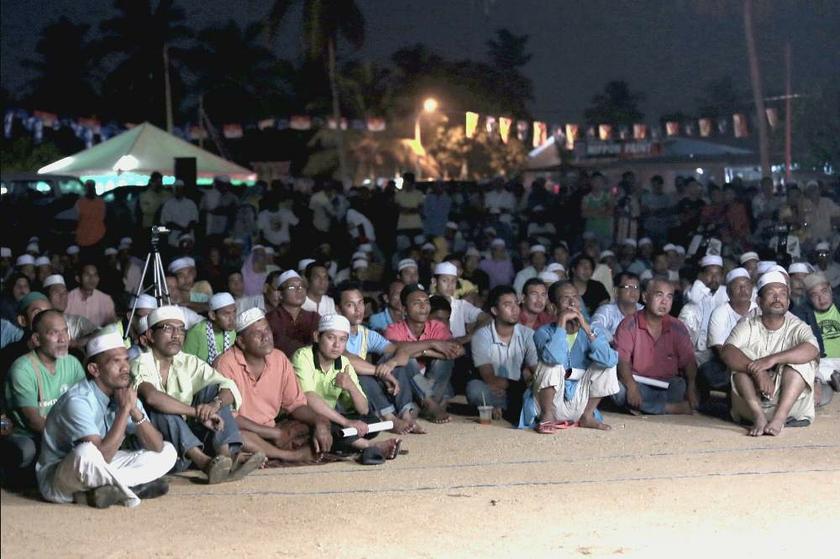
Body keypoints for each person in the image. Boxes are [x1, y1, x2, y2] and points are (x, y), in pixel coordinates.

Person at [36, 332, 176, 508]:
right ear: (94, 369)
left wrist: (134, 411)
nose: (125, 367)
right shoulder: (77, 401)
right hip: (62, 476)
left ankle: (104, 490)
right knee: (86, 452)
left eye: (126, 359)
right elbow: (101, 456)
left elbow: (156, 446)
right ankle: (129, 488)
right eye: (116, 361)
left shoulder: (124, 393)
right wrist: (124, 410)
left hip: (102, 465)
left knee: (168, 450)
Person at [132, 306, 263, 484]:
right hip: (160, 447)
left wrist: (213, 406)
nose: (176, 335)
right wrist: (196, 412)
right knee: (160, 409)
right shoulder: (140, 363)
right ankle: (206, 463)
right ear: (150, 335)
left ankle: (225, 457)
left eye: (180, 330)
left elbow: (228, 387)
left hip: (189, 437)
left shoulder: (187, 361)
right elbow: (152, 397)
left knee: (212, 390)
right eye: (167, 328)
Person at [214, 308, 334, 464]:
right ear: (241, 342)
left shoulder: (279, 358)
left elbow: (295, 404)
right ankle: (290, 456)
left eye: (267, 330)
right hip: (246, 430)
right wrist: (274, 434)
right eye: (257, 334)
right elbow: (229, 416)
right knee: (234, 436)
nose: (266, 337)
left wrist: (320, 422)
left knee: (321, 426)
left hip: (276, 427)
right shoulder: (225, 364)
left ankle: (265, 453)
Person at [292, 314, 403, 461]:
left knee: (372, 421)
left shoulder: (344, 362)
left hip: (333, 417)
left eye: (342, 339)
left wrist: (351, 387)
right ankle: (370, 445)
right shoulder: (302, 357)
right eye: (331, 338)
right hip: (308, 416)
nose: (337, 345)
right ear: (317, 336)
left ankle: (349, 440)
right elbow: (309, 398)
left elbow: (363, 409)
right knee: (324, 427)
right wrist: (346, 423)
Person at [721, 271, 819, 436]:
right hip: (752, 405)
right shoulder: (748, 325)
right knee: (741, 356)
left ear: (788, 302)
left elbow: (812, 349)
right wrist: (757, 370)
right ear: (759, 301)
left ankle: (779, 418)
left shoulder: (797, 326)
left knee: (803, 360)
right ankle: (759, 417)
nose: (777, 298)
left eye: (782, 294)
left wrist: (771, 360)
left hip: (790, 407)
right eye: (771, 293)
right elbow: (727, 351)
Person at [335, 282, 435, 434]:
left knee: (396, 359)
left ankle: (406, 414)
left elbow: (401, 350)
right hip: (341, 393)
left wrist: (391, 363)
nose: (358, 309)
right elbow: (347, 358)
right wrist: (381, 372)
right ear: (338, 309)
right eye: (350, 305)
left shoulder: (366, 333)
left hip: (365, 392)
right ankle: (390, 418)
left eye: (360, 303)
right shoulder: (333, 333)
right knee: (361, 375)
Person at [2, 310, 85, 486]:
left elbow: (84, 404)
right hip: (30, 435)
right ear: (37, 340)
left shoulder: (72, 363)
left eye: (65, 331)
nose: (63, 339)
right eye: (54, 333)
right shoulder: (23, 369)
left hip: (66, 432)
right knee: (26, 451)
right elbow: (34, 421)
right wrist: (72, 440)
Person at [530, 281, 618, 432]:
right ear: (553, 307)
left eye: (575, 297)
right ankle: (547, 417)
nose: (572, 302)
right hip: (550, 402)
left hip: (579, 402)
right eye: (565, 298)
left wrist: (586, 327)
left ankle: (587, 417)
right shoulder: (543, 332)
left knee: (607, 362)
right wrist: (562, 322)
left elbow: (610, 360)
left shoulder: (593, 330)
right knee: (550, 362)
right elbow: (554, 358)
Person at [612, 278, 698, 415]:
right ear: (645, 297)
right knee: (617, 390)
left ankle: (643, 407)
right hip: (637, 383)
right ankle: (669, 408)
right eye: (659, 295)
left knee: (683, 386)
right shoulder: (629, 324)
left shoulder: (677, 327)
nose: (664, 302)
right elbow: (622, 360)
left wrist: (692, 387)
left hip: (667, 385)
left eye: (669, 297)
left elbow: (689, 361)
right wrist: (631, 386)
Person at [385, 284, 464, 424]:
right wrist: (433, 343)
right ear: (404, 309)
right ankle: (429, 404)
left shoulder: (437, 326)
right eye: (416, 303)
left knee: (445, 359)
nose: (423, 306)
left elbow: (458, 350)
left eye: (426, 302)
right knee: (404, 357)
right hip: (407, 388)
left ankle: (425, 404)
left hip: (434, 385)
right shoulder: (394, 329)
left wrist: (424, 352)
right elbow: (392, 349)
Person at [467, 286, 538, 424]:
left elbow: (537, 370)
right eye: (507, 305)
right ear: (494, 310)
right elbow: (489, 378)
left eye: (516, 303)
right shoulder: (481, 336)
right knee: (475, 388)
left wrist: (525, 383)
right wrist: (518, 383)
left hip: (517, 391)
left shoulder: (528, 334)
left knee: (536, 386)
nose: (515, 309)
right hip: (494, 390)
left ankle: (499, 409)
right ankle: (499, 408)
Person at [701, 268, 756, 399]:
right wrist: (748, 368)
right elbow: (720, 350)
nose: (743, 290)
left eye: (746, 286)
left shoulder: (759, 310)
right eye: (738, 286)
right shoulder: (720, 312)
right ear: (728, 291)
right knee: (708, 371)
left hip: (757, 362)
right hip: (727, 363)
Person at [792, 272, 840, 406]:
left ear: (830, 289)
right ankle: (825, 381)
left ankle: (832, 380)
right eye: (815, 295)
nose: (821, 298)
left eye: (824, 292)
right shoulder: (800, 313)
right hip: (822, 362)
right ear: (808, 297)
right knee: (812, 371)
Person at [679, 255, 727, 367]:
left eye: (718, 274)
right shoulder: (693, 290)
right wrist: (699, 282)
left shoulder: (726, 292)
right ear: (702, 275)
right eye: (710, 274)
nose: (714, 278)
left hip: (718, 348)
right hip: (694, 349)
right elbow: (694, 298)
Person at [266, 270, 320, 359]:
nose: (299, 290)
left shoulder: (314, 317)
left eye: (302, 286)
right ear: (280, 294)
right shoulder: (270, 319)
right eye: (292, 287)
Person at [432, 262, 488, 343]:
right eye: (445, 280)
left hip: (458, 350)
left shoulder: (461, 305)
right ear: (434, 282)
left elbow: (487, 318)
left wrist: (467, 337)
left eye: (453, 281)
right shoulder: (426, 303)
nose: (450, 285)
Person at [42, 274, 97, 348]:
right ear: (46, 296)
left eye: (64, 293)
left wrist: (77, 343)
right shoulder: (40, 323)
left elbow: (99, 333)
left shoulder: (76, 321)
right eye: (56, 292)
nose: (62, 296)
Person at [183, 292, 237, 364]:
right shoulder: (196, 333)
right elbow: (185, 364)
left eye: (234, 312)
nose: (232, 318)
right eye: (226, 314)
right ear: (212, 315)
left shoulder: (233, 331)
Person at [592, 272, 644, 342]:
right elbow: (594, 327)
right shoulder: (607, 311)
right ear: (616, 291)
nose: (633, 291)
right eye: (628, 287)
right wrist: (616, 340)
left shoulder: (645, 311)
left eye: (636, 287)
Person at [64, 262, 116, 328]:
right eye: (87, 274)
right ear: (78, 278)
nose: (92, 278)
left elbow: (112, 324)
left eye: (95, 275)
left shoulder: (106, 299)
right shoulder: (68, 298)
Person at [160, 180, 199, 248]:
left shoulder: (191, 203)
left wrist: (184, 231)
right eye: (177, 189)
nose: (179, 191)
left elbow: (194, 221)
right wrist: (184, 230)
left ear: (184, 190)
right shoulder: (168, 204)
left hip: (189, 238)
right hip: (173, 239)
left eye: (181, 189)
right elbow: (168, 223)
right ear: (174, 190)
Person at [75, 180, 106, 249]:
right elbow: (103, 217)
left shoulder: (79, 202)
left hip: (84, 237)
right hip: (98, 235)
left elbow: (77, 218)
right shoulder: (101, 202)